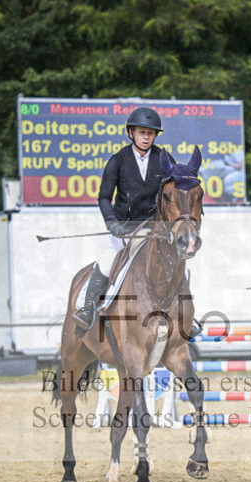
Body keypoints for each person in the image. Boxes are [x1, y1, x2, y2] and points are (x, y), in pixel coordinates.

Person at [73, 106, 170, 334]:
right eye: (141, 132)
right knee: (108, 261)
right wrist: (111, 222)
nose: (146, 137)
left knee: (177, 265)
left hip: (154, 229)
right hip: (124, 229)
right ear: (131, 133)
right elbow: (104, 196)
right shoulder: (118, 160)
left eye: (150, 133)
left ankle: (186, 316)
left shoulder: (164, 159)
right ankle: (87, 310)